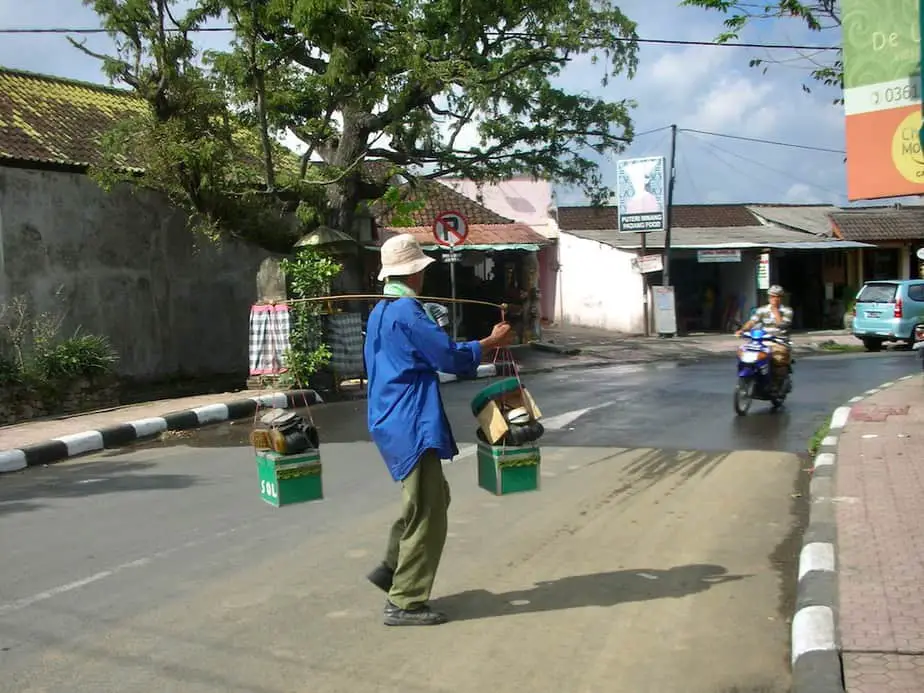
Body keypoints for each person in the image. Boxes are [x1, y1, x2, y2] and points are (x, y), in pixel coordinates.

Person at [363, 233, 513, 627]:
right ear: (414, 274)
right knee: (430, 510)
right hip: (409, 418)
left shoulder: (381, 311)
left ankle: (393, 567)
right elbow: (448, 356)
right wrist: (489, 342)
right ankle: (405, 600)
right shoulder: (408, 313)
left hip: (388, 416)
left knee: (429, 498)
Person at [735, 285, 793, 384]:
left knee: (778, 359)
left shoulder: (787, 311)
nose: (774, 299)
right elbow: (752, 322)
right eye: (772, 296)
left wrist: (776, 311)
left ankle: (777, 383)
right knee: (745, 352)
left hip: (779, 341)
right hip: (763, 340)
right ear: (769, 297)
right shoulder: (762, 310)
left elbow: (782, 325)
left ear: (781, 298)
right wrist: (742, 330)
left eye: (777, 296)